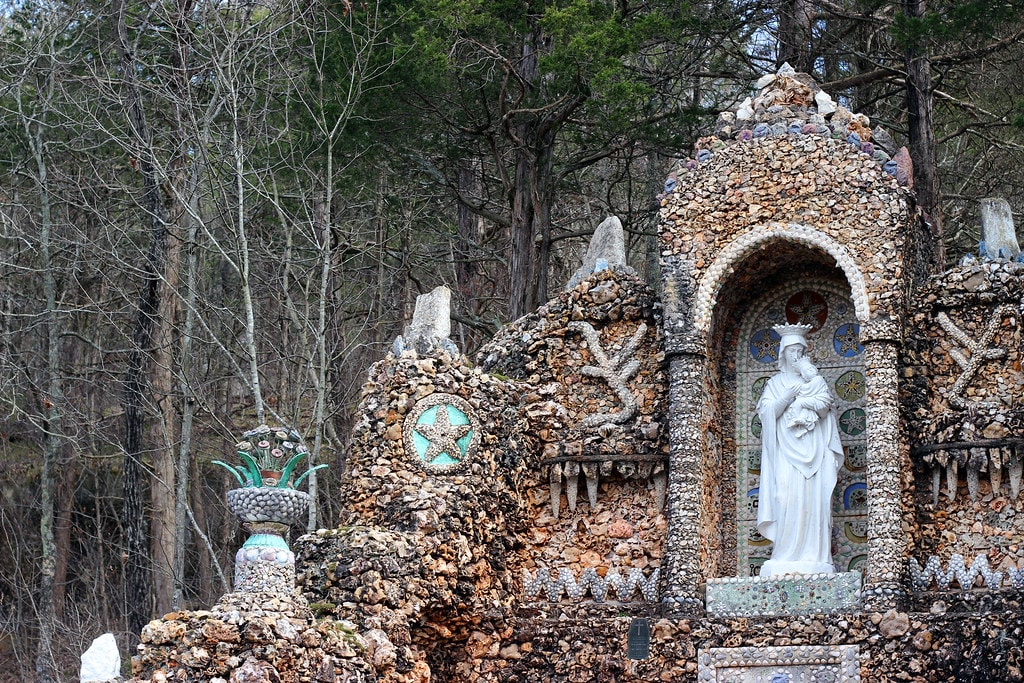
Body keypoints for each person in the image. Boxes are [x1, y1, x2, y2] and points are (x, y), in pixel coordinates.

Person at [756, 324, 845, 577]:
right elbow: (766, 413)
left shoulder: (816, 381)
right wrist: (786, 397)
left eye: (800, 351)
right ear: (783, 354)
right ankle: (784, 554)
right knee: (785, 498)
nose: (795, 355)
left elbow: (826, 409)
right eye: (791, 351)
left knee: (812, 501)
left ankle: (815, 555)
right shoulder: (775, 383)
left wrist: (807, 399)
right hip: (785, 452)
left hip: (814, 450)